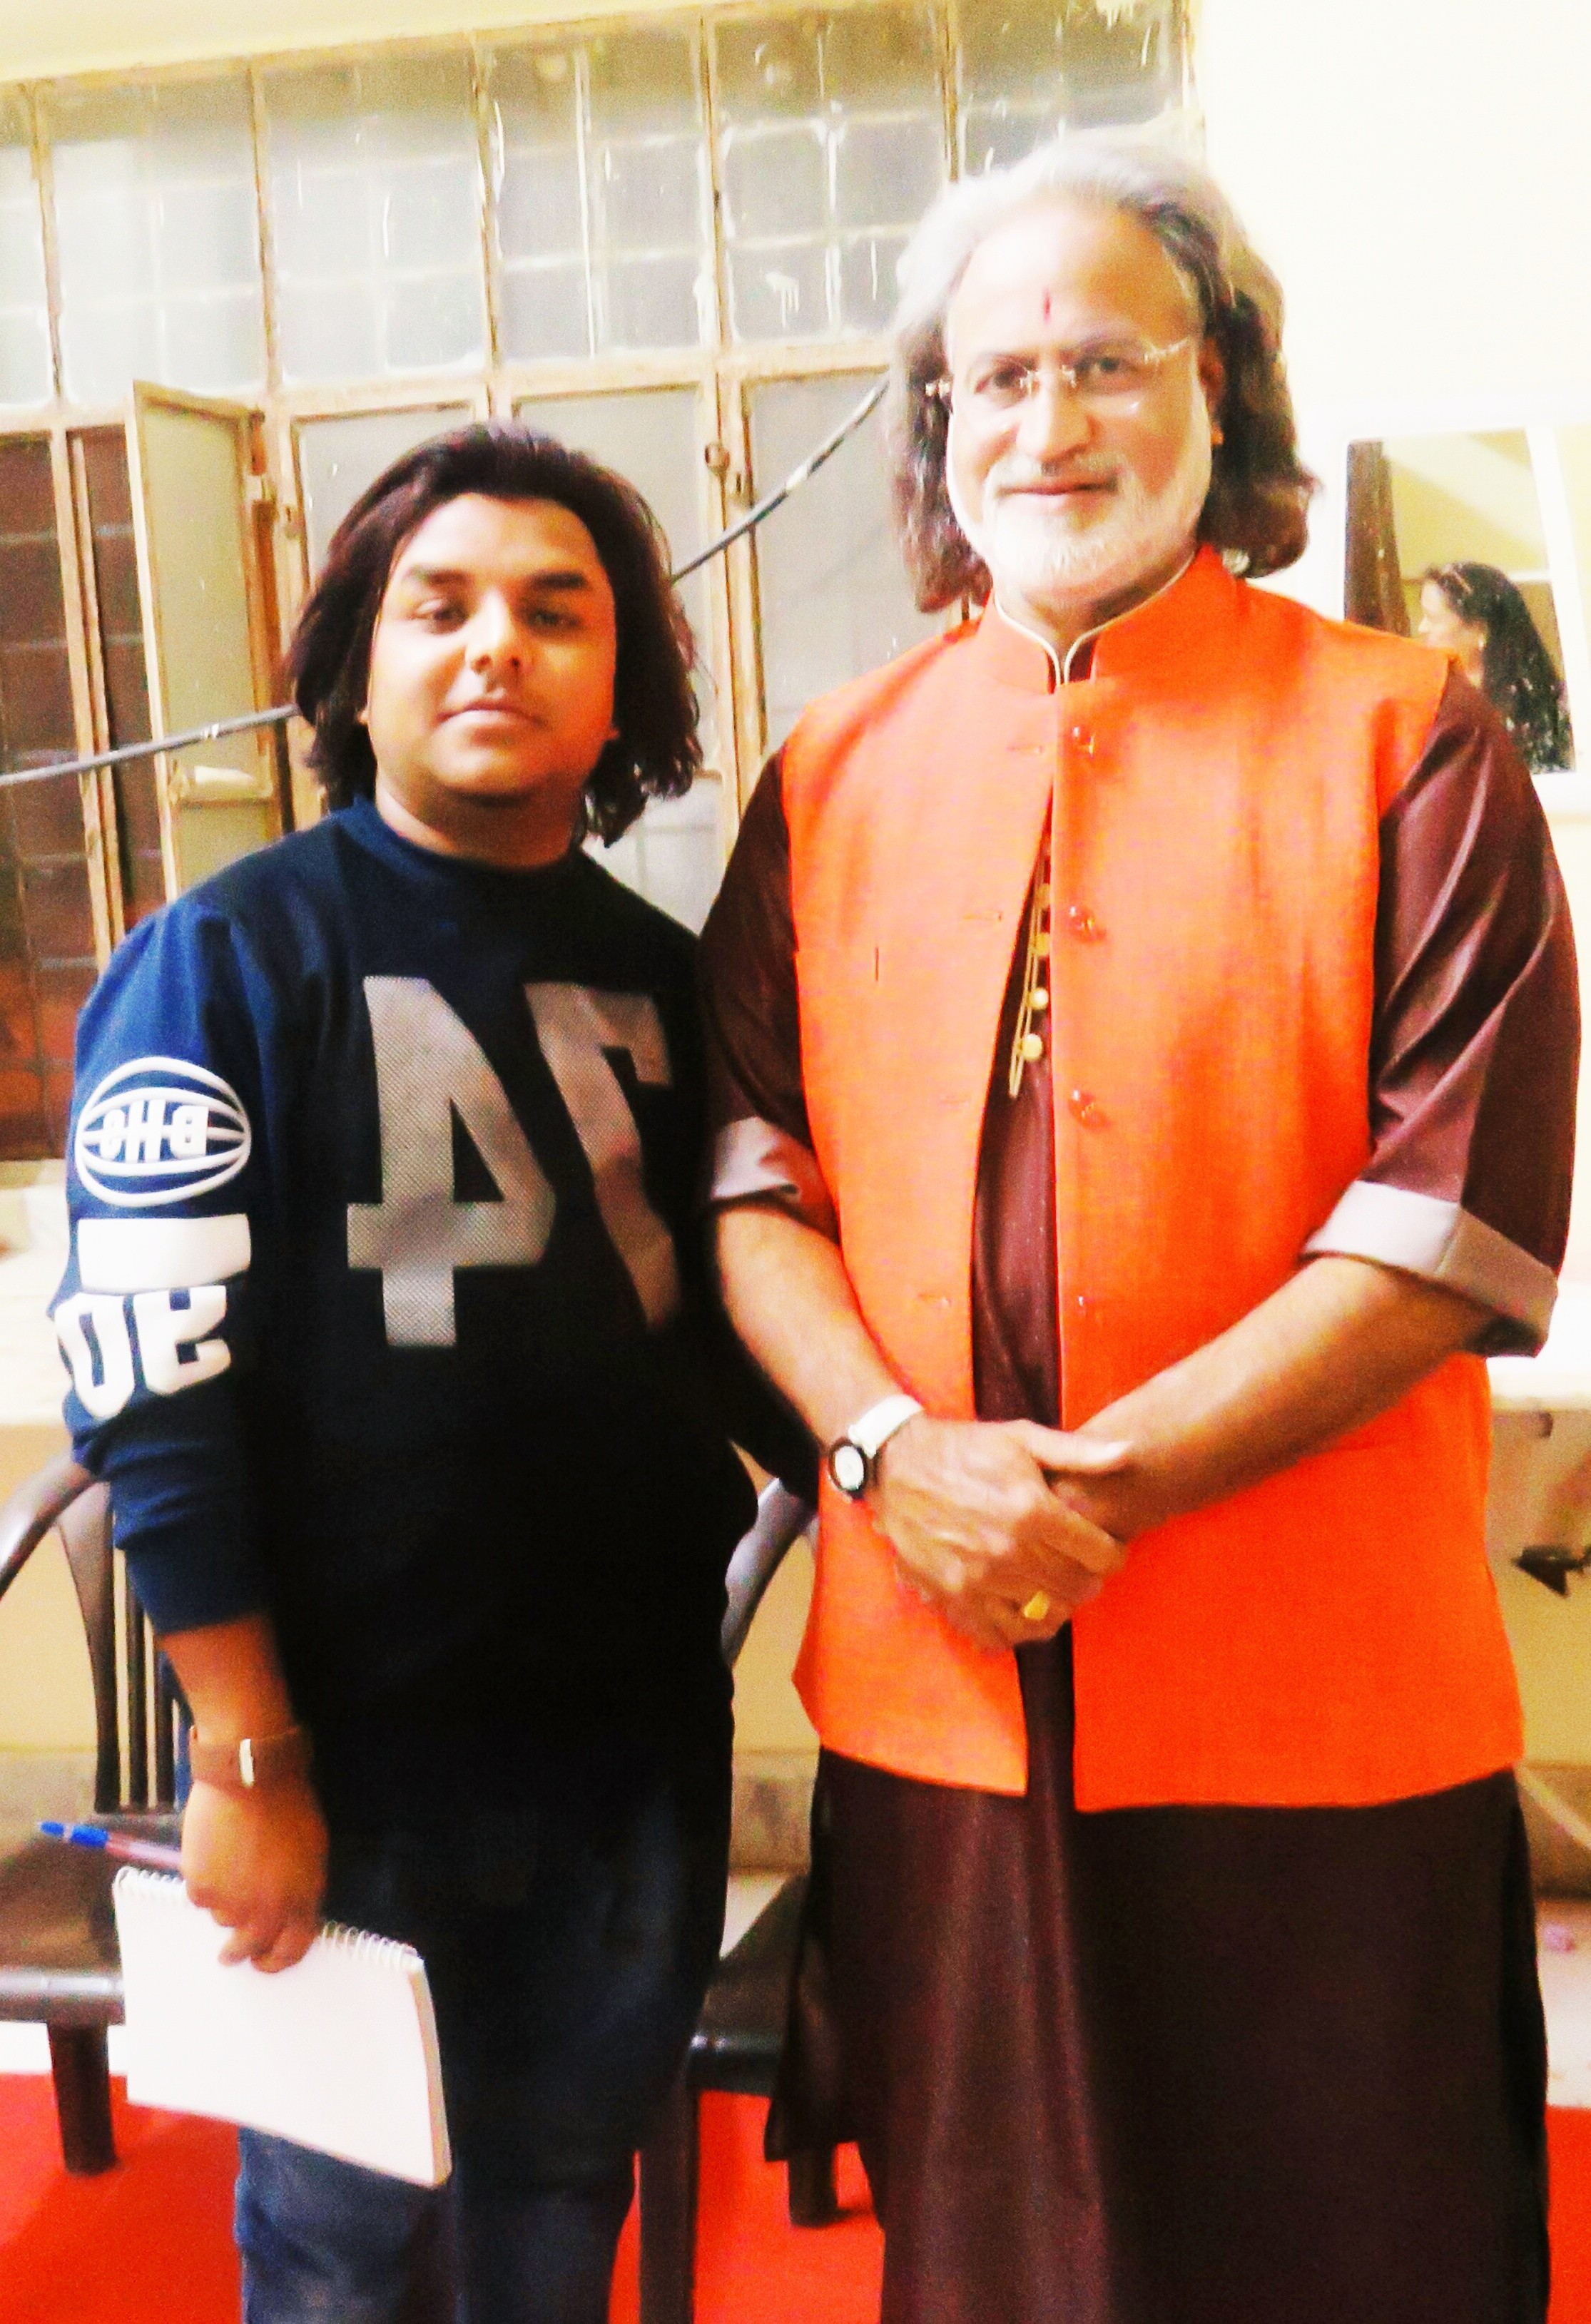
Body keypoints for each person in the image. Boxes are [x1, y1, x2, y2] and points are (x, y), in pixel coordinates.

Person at [699, 133, 1579, 2324]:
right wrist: (899, 1459)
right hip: (939, 1688)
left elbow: (1444, 1217)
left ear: (1219, 385)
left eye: (1104, 359)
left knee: (1349, 2248)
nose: (1047, 419)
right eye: (993, 378)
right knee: (999, 2253)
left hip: (1313, 1692)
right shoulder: (828, 771)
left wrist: (1080, 1490)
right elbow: (742, 1179)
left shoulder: (1405, 740)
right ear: (938, 426)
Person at [51, 423, 788, 2324]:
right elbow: (154, 1392)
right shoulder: (222, 961)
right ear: (352, 674)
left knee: (560, 2213)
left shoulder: (668, 975)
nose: (494, 646)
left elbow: (737, 1321)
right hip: (344, 1760)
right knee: (344, 2252)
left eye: (555, 611)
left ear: (619, 686)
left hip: (628, 1747)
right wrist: (247, 1753)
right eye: (437, 606)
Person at [1418, 559, 1576, 773]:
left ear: (1479, 630)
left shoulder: (1558, 707)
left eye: (1432, 618)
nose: (1422, 628)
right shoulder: (1426, 700)